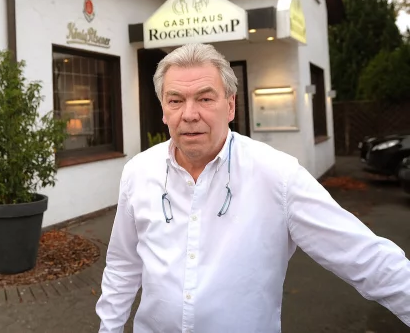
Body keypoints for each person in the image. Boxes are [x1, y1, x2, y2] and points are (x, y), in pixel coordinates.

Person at [95, 43, 410, 332]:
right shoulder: (138, 173)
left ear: (230, 106)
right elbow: (123, 264)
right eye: (176, 101)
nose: (189, 115)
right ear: (164, 110)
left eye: (205, 98)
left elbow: (364, 256)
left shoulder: (277, 175)